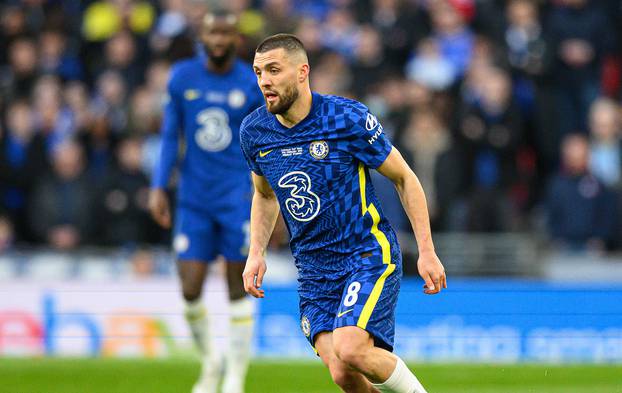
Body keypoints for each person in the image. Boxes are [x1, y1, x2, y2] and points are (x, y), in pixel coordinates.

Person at [240, 34, 447, 393]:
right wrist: (255, 252)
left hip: (364, 253)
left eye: (274, 70)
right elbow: (264, 195)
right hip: (314, 270)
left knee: (352, 348)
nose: (264, 82)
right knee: (343, 373)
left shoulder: (346, 118)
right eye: (259, 72)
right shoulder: (255, 132)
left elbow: (405, 179)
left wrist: (427, 252)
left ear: (303, 72)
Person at [148, 10, 263, 393]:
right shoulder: (183, 77)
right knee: (190, 288)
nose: (218, 39)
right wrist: (159, 186)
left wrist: (268, 199)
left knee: (237, 287)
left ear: (235, 38)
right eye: (213, 32)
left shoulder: (249, 82)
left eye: (226, 33)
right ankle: (211, 362)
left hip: (235, 198)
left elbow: (261, 145)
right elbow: (169, 135)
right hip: (194, 198)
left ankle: (234, 378)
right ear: (203, 35)